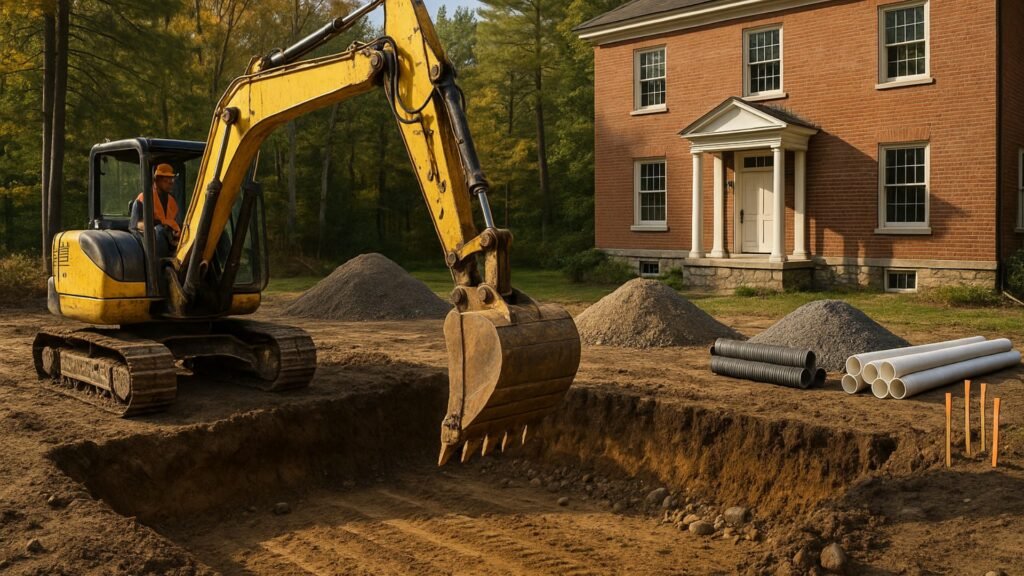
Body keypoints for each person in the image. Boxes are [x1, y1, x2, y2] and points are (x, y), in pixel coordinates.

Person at [129, 163, 181, 253]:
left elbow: (176, 222)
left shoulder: (172, 201)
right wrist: (160, 224)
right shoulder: (143, 198)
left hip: (168, 239)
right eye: (166, 180)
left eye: (171, 180)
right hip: (147, 242)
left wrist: (176, 231)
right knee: (159, 231)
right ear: (156, 180)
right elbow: (137, 225)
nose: (170, 183)